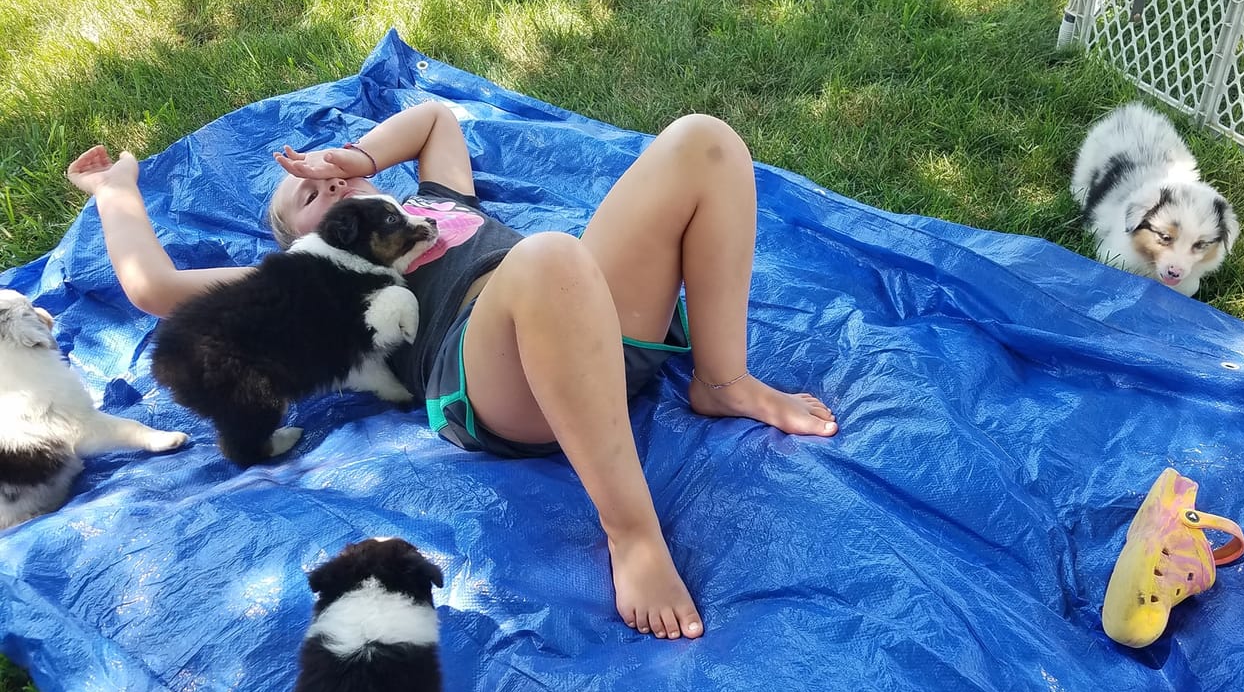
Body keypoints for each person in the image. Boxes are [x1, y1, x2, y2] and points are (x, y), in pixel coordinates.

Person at [65, 100, 838, 641]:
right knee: (548, 255)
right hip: (500, 375)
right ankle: (630, 532)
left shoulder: (432, 202)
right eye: (307, 195)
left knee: (701, 140)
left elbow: (435, 117)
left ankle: (722, 379)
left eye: (332, 178)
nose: (328, 187)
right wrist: (116, 193)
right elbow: (155, 290)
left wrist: (360, 156)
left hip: (588, 316)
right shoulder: (302, 278)